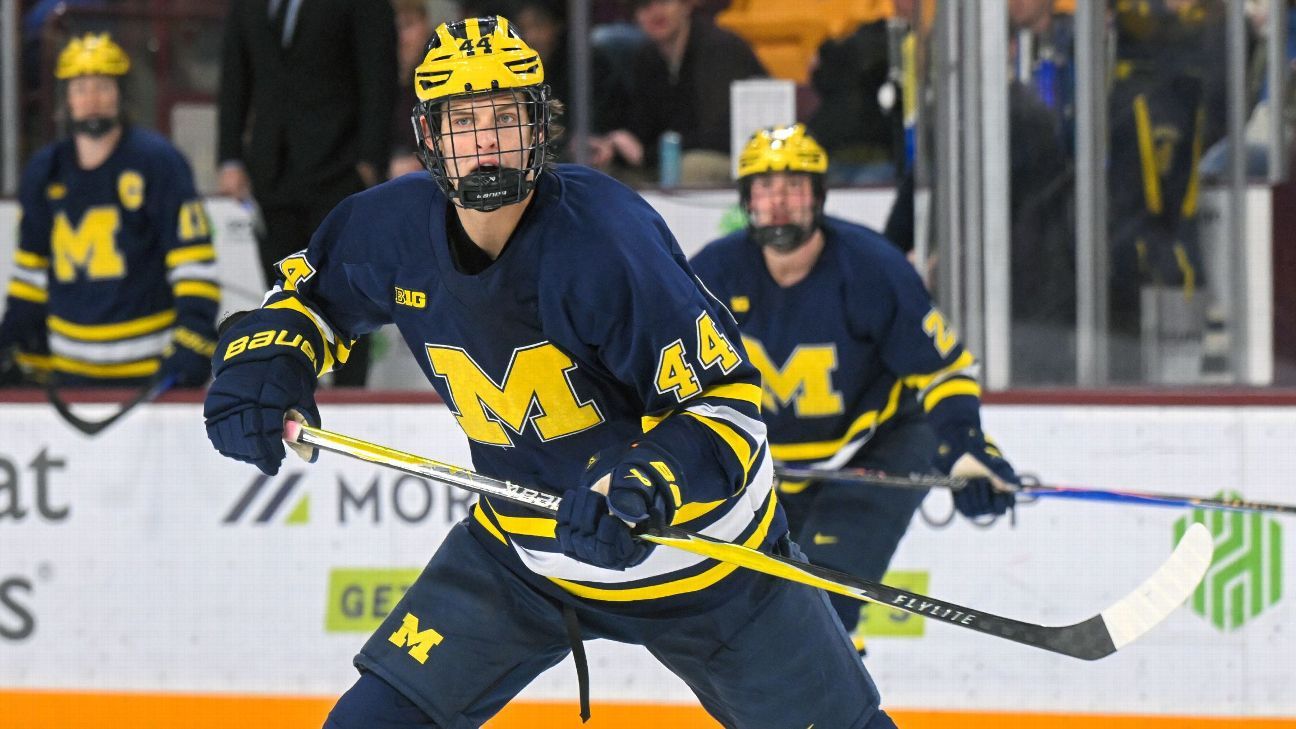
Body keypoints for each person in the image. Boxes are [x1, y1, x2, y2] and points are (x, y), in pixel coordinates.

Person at [202, 17, 896, 728]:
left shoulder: (606, 243)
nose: (486, 143)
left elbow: (727, 405)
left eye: (505, 117)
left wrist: (645, 483)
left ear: (540, 125)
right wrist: (266, 362)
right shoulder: (387, 229)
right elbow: (305, 301)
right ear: (430, 138)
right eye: (463, 122)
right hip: (525, 553)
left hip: (704, 560)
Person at [690, 124, 1019, 652]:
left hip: (876, 447)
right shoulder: (712, 273)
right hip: (770, 467)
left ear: (818, 196)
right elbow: (664, 380)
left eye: (793, 187)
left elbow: (942, 372)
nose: (778, 203)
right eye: (765, 188)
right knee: (757, 616)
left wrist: (965, 450)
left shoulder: (871, 268)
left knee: (824, 601)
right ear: (745, 199)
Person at [0, 33, 218, 388]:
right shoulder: (44, 170)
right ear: (65, 99)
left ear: (121, 94)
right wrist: (13, 341)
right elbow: (31, 275)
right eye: (81, 88)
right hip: (68, 374)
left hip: (150, 373)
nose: (92, 100)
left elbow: (193, 264)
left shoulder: (159, 163)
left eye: (103, 86)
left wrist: (193, 338)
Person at [217, 0, 398, 386]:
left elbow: (379, 70)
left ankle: (351, 398)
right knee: (283, 289)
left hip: (340, 166)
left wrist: (371, 159)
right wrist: (229, 156)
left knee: (346, 290)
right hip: (270, 169)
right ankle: (294, 388)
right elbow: (235, 73)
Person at [594, 0, 767, 185]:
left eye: (664, 1)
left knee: (692, 167)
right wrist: (614, 146)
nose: (654, 11)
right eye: (643, 5)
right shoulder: (646, 57)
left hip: (742, 157)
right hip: (671, 156)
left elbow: (717, 135)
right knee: (602, 173)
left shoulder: (720, 48)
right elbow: (642, 128)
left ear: (686, 5)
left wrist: (650, 153)